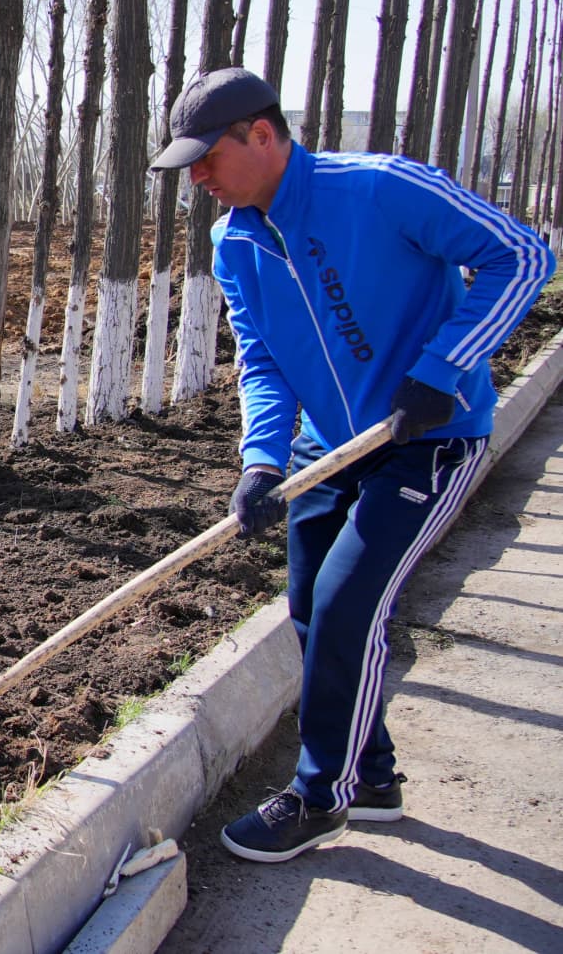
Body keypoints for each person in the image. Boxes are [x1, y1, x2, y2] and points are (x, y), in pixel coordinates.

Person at [149, 67, 555, 863]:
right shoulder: (236, 243)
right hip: (329, 445)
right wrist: (262, 461)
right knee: (309, 605)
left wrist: (442, 369)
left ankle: (319, 797)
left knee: (346, 606)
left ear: (261, 135)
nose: (197, 180)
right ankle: (370, 779)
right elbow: (263, 362)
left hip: (429, 438)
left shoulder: (380, 189)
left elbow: (522, 256)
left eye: (207, 159)